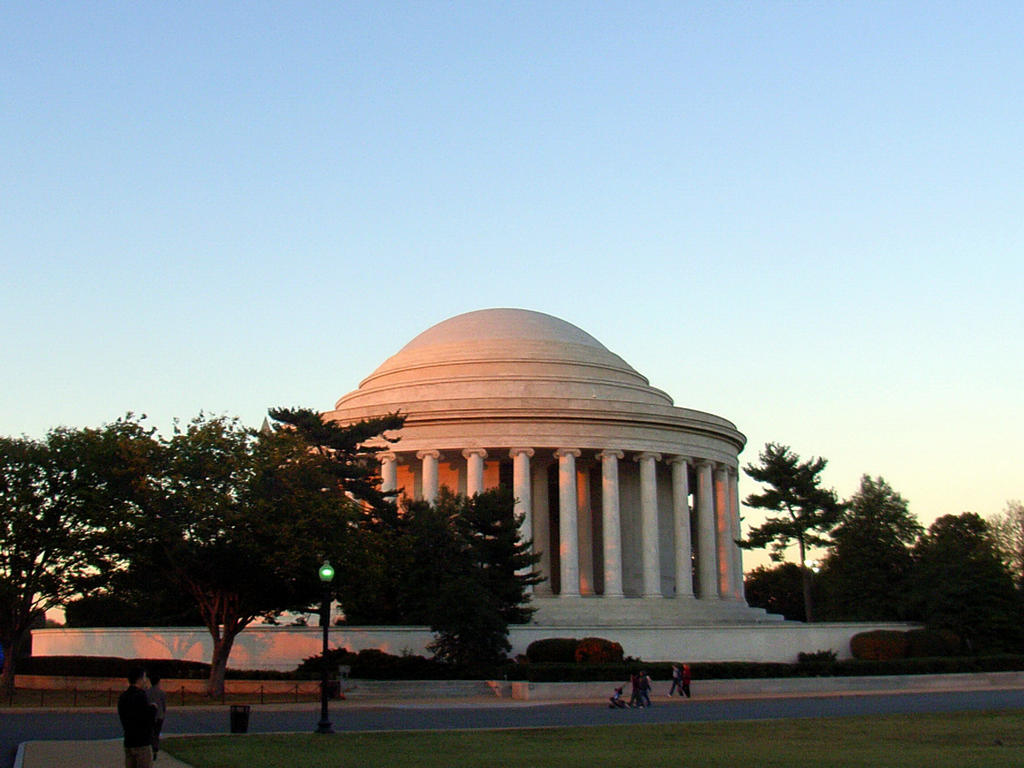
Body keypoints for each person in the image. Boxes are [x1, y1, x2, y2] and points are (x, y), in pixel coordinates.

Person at [118, 666, 155, 768]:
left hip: (129, 741)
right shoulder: (141, 696)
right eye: (144, 678)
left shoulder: (123, 697)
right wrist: (153, 709)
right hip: (142, 743)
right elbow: (146, 719)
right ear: (139, 679)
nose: (145, 681)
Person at [146, 671, 167, 760]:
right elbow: (163, 705)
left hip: (150, 716)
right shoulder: (162, 693)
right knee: (157, 733)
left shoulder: (147, 692)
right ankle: (155, 749)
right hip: (159, 716)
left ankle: (151, 748)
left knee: (150, 733)